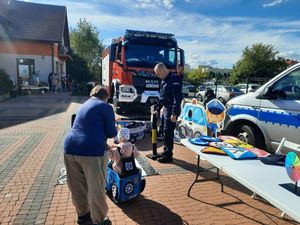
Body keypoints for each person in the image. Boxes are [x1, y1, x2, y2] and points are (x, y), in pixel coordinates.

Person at [64, 85, 117, 225]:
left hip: (69, 148)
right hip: (92, 152)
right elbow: (111, 133)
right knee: (96, 187)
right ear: (106, 97)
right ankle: (99, 220)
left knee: (77, 186)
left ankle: (83, 215)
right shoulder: (106, 107)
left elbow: (85, 128)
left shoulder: (83, 105)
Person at [154, 63, 183, 163]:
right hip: (166, 109)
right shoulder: (164, 80)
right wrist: (158, 109)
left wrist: (174, 114)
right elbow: (162, 96)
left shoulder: (174, 79)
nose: (157, 76)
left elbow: (177, 98)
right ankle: (166, 151)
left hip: (171, 110)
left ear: (162, 71)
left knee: (168, 132)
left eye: (158, 74)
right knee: (164, 131)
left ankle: (168, 156)